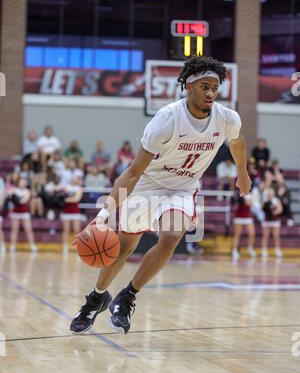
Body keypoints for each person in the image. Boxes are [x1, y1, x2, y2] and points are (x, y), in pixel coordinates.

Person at [70, 56, 251, 335]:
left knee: (171, 236)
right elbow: (132, 172)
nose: (211, 93)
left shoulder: (227, 118)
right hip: (148, 184)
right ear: (188, 86)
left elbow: (238, 142)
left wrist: (242, 173)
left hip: (183, 187)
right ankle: (96, 298)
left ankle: (127, 296)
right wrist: (103, 216)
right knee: (121, 248)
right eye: (205, 86)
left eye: (215, 87)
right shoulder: (167, 118)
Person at [231, 191, 256, 260]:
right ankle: (235, 250)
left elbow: (250, 204)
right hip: (239, 216)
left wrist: (244, 200)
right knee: (237, 234)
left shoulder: (249, 195)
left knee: (252, 233)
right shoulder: (237, 194)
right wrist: (237, 199)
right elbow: (233, 203)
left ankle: (250, 248)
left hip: (247, 216)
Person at [262, 187, 283, 259]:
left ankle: (277, 250)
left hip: (275, 220)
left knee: (276, 236)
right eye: (269, 193)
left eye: (272, 192)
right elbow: (263, 209)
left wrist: (274, 212)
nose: (270, 194)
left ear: (274, 193)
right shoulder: (265, 201)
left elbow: (280, 209)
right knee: (265, 236)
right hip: (267, 220)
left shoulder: (276, 200)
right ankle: (264, 250)